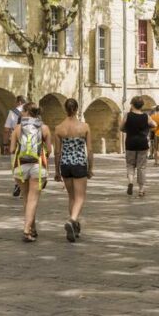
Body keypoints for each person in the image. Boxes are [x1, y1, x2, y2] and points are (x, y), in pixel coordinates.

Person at [11, 102, 52, 243]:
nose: (21, 113)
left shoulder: (17, 128)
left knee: (26, 199)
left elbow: (11, 150)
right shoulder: (44, 128)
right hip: (38, 165)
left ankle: (31, 228)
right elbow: (49, 150)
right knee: (33, 200)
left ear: (27, 111)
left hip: (21, 167)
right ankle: (27, 229)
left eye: (22, 111)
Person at [54, 98, 92, 243]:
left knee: (71, 197)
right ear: (77, 109)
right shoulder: (84, 127)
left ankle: (75, 227)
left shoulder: (59, 128)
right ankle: (72, 220)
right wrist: (91, 167)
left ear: (65, 109)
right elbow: (89, 149)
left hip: (65, 164)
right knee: (80, 197)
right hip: (79, 163)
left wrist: (57, 171)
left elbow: (57, 152)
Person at [121, 96, 152, 198]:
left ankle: (130, 182)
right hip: (142, 143)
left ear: (132, 104)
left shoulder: (127, 115)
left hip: (130, 143)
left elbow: (121, 127)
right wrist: (146, 129)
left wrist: (128, 130)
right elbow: (154, 124)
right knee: (141, 167)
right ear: (141, 106)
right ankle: (141, 189)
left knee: (130, 165)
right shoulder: (146, 116)